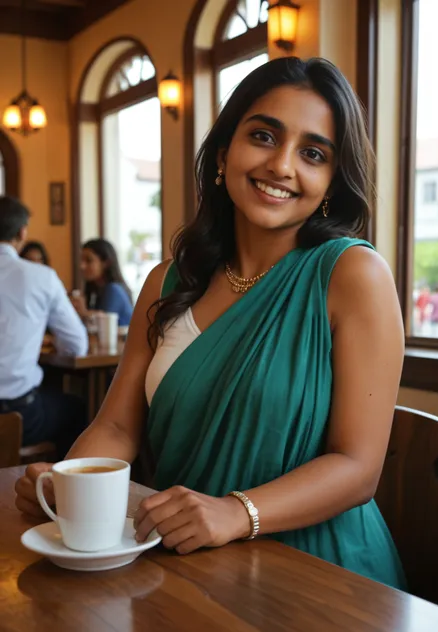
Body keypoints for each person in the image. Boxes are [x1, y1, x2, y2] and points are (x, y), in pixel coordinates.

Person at [15, 57, 406, 589]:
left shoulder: (353, 274)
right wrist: (69, 484)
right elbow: (117, 426)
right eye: (264, 136)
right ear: (224, 153)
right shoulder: (168, 281)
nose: (282, 165)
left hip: (321, 572)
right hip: (184, 559)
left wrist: (235, 512)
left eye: (312, 153)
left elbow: (358, 467)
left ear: (332, 182)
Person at [0, 196, 88, 457]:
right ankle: (54, 490)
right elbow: (76, 345)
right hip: (17, 413)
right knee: (77, 409)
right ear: (22, 232)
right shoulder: (41, 277)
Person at [71, 238, 133, 327]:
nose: (82, 266)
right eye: (81, 260)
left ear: (106, 263)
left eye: (89, 260)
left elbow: (104, 325)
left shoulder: (113, 289)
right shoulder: (95, 291)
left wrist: (83, 312)